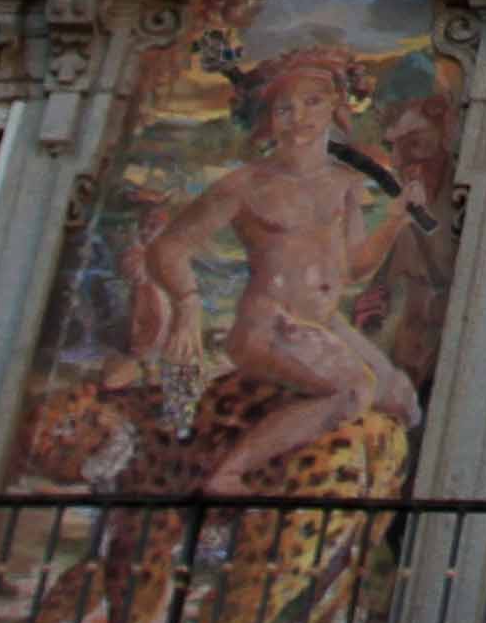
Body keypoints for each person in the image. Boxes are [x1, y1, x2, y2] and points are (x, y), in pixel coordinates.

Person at [131, 49, 434, 497]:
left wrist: (394, 221)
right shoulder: (245, 185)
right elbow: (168, 248)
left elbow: (353, 270)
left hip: (326, 324)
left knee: (405, 401)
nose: (299, 118)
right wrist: (187, 305)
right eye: (284, 108)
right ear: (269, 119)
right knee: (349, 390)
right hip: (269, 325)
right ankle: (228, 473)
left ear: (335, 108)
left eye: (313, 102)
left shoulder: (345, 183)